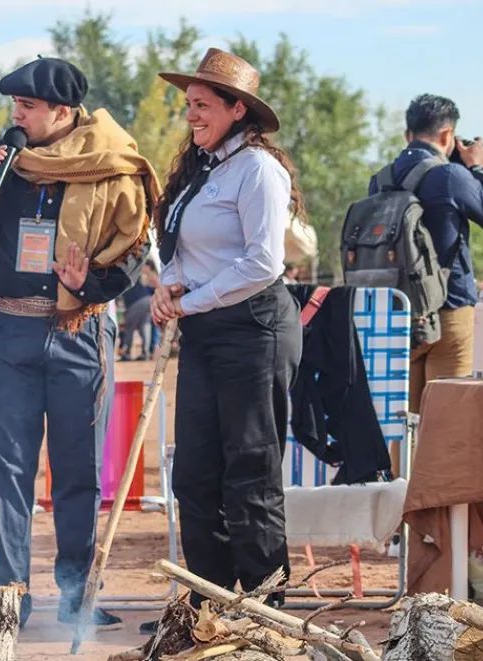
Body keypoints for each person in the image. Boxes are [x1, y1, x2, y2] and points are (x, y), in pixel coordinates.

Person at [0, 56, 159, 628]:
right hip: (7, 332)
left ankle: (75, 597)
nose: (16, 115)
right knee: (5, 470)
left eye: (28, 106)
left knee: (78, 470)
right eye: (14, 105)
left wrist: (84, 284)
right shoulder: (5, 163)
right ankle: (10, 598)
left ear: (63, 113)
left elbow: (132, 249)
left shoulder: (113, 165)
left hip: (79, 331)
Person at [149, 48, 303, 625]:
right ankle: (209, 603)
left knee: (251, 471)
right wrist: (169, 286)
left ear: (238, 109)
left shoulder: (259, 169)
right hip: (205, 328)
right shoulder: (199, 169)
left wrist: (192, 299)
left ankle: (266, 611)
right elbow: (179, 246)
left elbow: (262, 263)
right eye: (188, 105)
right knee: (194, 472)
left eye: (202, 105)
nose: (191, 116)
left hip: (255, 327)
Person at [373, 94, 483, 414]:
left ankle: (398, 467)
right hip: (449, 311)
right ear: (448, 135)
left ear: (408, 135)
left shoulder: (381, 179)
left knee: (404, 421)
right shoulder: (451, 176)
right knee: (448, 420)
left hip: (399, 312)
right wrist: (476, 168)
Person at [118, 263, 155, 360]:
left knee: (129, 327)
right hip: (148, 299)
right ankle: (145, 353)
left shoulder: (120, 274)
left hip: (136, 302)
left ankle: (126, 353)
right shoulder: (133, 270)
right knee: (145, 325)